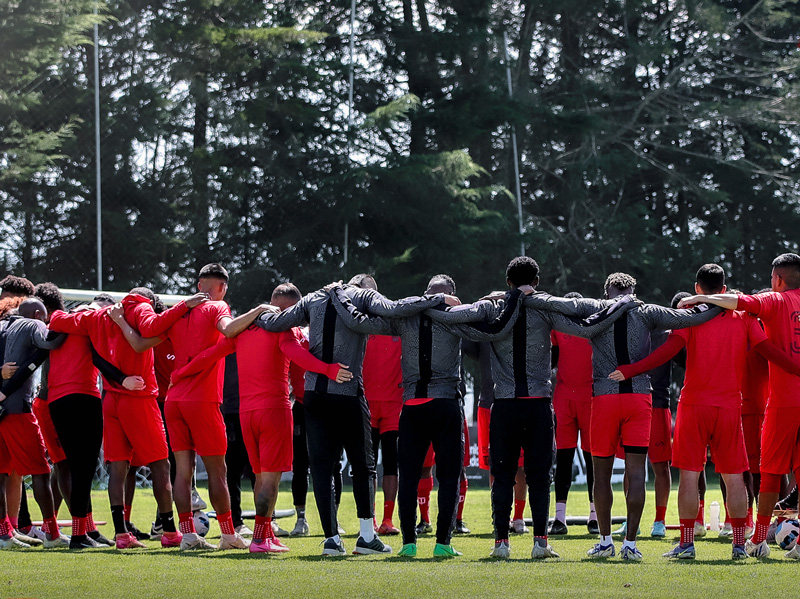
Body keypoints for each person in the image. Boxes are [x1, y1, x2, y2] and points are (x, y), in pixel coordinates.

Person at [427, 257, 637, 560]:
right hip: (538, 405)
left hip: (505, 406)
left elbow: (453, 317)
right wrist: (623, 302)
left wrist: (465, 300)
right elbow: (585, 315)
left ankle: (501, 543)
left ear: (508, 282)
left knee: (502, 477)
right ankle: (540, 542)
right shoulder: (545, 308)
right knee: (539, 476)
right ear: (536, 282)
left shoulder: (493, 307)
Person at [330, 274, 525, 557]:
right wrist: (508, 297)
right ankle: (443, 544)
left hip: (412, 407)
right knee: (448, 476)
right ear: (450, 297)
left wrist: (338, 296)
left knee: (409, 476)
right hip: (445, 405)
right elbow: (493, 328)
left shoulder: (405, 318)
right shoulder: (456, 318)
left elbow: (360, 321)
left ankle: (409, 543)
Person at [609, 264, 796, 560]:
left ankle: (686, 544)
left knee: (688, 476)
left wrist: (630, 370)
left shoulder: (691, 318)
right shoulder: (743, 318)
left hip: (694, 406)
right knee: (735, 477)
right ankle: (738, 545)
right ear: (723, 289)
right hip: (730, 406)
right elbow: (770, 351)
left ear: (697, 288)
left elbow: (664, 353)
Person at [256, 281, 448, 556]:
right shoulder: (362, 296)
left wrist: (257, 313)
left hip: (314, 395)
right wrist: (435, 299)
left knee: (321, 468)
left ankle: (332, 540)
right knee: (363, 466)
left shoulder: (313, 297)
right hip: (348, 393)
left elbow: (274, 323)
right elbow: (394, 309)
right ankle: (366, 538)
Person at [541, 272, 721, 560]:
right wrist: (715, 300)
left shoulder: (594, 307)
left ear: (606, 291)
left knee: (601, 475)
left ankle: (604, 542)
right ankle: (631, 544)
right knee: (637, 473)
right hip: (639, 398)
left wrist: (524, 298)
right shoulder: (647, 311)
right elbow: (689, 318)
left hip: (603, 398)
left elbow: (560, 305)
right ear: (633, 290)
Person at [117, 264, 267, 550]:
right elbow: (229, 329)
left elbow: (139, 344)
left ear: (200, 285)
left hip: (174, 401)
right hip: (203, 401)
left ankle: (187, 535)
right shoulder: (217, 307)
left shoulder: (179, 312)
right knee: (217, 472)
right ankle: (228, 534)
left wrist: (121, 322)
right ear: (222, 287)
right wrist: (259, 310)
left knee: (182, 472)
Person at [49, 287, 204, 549]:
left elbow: (56, 320)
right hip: (139, 397)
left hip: (110, 398)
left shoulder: (99, 316)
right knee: (161, 465)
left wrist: (81, 310)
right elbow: (153, 326)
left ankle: (121, 534)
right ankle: (168, 531)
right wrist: (184, 306)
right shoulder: (141, 308)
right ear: (151, 302)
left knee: (118, 469)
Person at [677, 253, 800, 558]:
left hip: (773, 403)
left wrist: (696, 299)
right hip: (735, 405)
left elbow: (742, 303)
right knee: (746, 476)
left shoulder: (775, 300)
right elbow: (763, 346)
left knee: (765, 472)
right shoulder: (754, 316)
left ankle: (753, 539)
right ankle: (751, 543)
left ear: (777, 279)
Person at [0, 298, 66, 549]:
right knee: (41, 470)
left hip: (1, 412)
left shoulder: (1, 325)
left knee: (0, 474)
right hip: (18, 411)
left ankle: (4, 535)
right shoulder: (31, 324)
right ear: (39, 314)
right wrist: (65, 324)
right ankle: (52, 533)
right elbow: (51, 341)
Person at [354, 274, 404, 536]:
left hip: (394, 405)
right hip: (365, 405)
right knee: (366, 466)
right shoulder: (355, 325)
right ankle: (369, 519)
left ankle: (387, 520)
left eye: (372, 292)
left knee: (392, 464)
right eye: (363, 292)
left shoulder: (395, 322)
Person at [549, 292, 597, 536]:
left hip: (589, 398)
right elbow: (551, 361)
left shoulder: (595, 327)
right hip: (566, 399)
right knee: (565, 461)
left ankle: (594, 516)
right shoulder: (557, 328)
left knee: (593, 461)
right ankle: (560, 518)